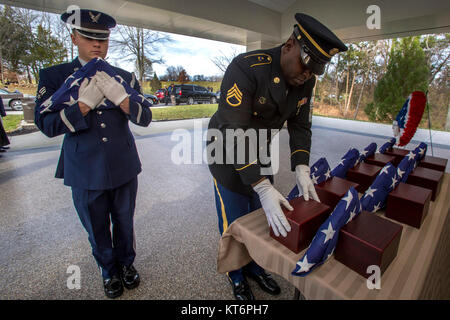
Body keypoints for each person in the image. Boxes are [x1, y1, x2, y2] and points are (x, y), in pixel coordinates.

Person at [206, 13, 347, 300]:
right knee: (234, 219)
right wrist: (261, 185)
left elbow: (300, 125)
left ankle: (256, 267)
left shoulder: (305, 80)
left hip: (258, 149)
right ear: (288, 46)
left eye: (314, 71)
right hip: (224, 148)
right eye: (305, 65)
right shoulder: (246, 68)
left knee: (261, 214)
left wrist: (302, 167)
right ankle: (237, 275)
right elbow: (235, 131)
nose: (307, 75)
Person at [34, 9, 152, 299]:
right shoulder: (55, 76)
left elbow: (145, 116)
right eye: (89, 37)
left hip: (122, 164)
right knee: (96, 225)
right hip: (84, 168)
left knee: (124, 222)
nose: (97, 44)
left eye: (102, 38)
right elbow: (47, 125)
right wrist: (82, 105)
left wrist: (122, 99)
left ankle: (126, 264)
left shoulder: (123, 77)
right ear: (74, 38)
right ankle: (108, 270)